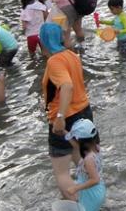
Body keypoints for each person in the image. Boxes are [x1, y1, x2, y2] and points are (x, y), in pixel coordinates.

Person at [38, 22, 93, 200]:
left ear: (43, 41)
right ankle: (94, 195)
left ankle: (83, 209)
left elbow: (67, 86)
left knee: (61, 173)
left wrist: (60, 116)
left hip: (66, 118)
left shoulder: (54, 61)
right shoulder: (72, 55)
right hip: (84, 113)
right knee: (82, 160)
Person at [64, 119, 106, 211]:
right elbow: (77, 146)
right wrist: (63, 131)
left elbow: (95, 180)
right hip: (96, 191)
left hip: (91, 194)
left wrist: (75, 188)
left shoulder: (88, 160)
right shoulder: (96, 148)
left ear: (80, 141)